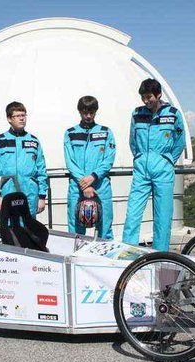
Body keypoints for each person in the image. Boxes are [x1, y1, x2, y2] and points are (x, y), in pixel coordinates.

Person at [122, 78, 186, 251]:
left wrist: (167, 160)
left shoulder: (173, 114)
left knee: (163, 218)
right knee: (132, 215)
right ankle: (127, 256)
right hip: (141, 171)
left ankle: (160, 257)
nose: (145, 101)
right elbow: (133, 141)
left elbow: (180, 142)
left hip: (163, 172)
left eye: (149, 97)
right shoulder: (137, 114)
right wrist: (140, 158)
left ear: (158, 95)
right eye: (143, 97)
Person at [64, 96, 116, 239]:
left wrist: (93, 176)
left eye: (91, 112)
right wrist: (84, 183)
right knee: (75, 232)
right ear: (79, 111)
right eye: (85, 112)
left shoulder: (106, 132)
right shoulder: (70, 133)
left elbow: (109, 159)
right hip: (78, 186)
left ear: (96, 112)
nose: (88, 116)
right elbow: (70, 161)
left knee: (105, 228)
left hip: (101, 186)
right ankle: (77, 259)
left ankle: (105, 260)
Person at [0, 101, 48, 217]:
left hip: (30, 193)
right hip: (7, 192)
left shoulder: (34, 141)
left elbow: (41, 170)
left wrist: (41, 197)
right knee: (10, 229)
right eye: (18, 116)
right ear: (9, 118)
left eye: (23, 115)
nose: (22, 119)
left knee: (28, 228)